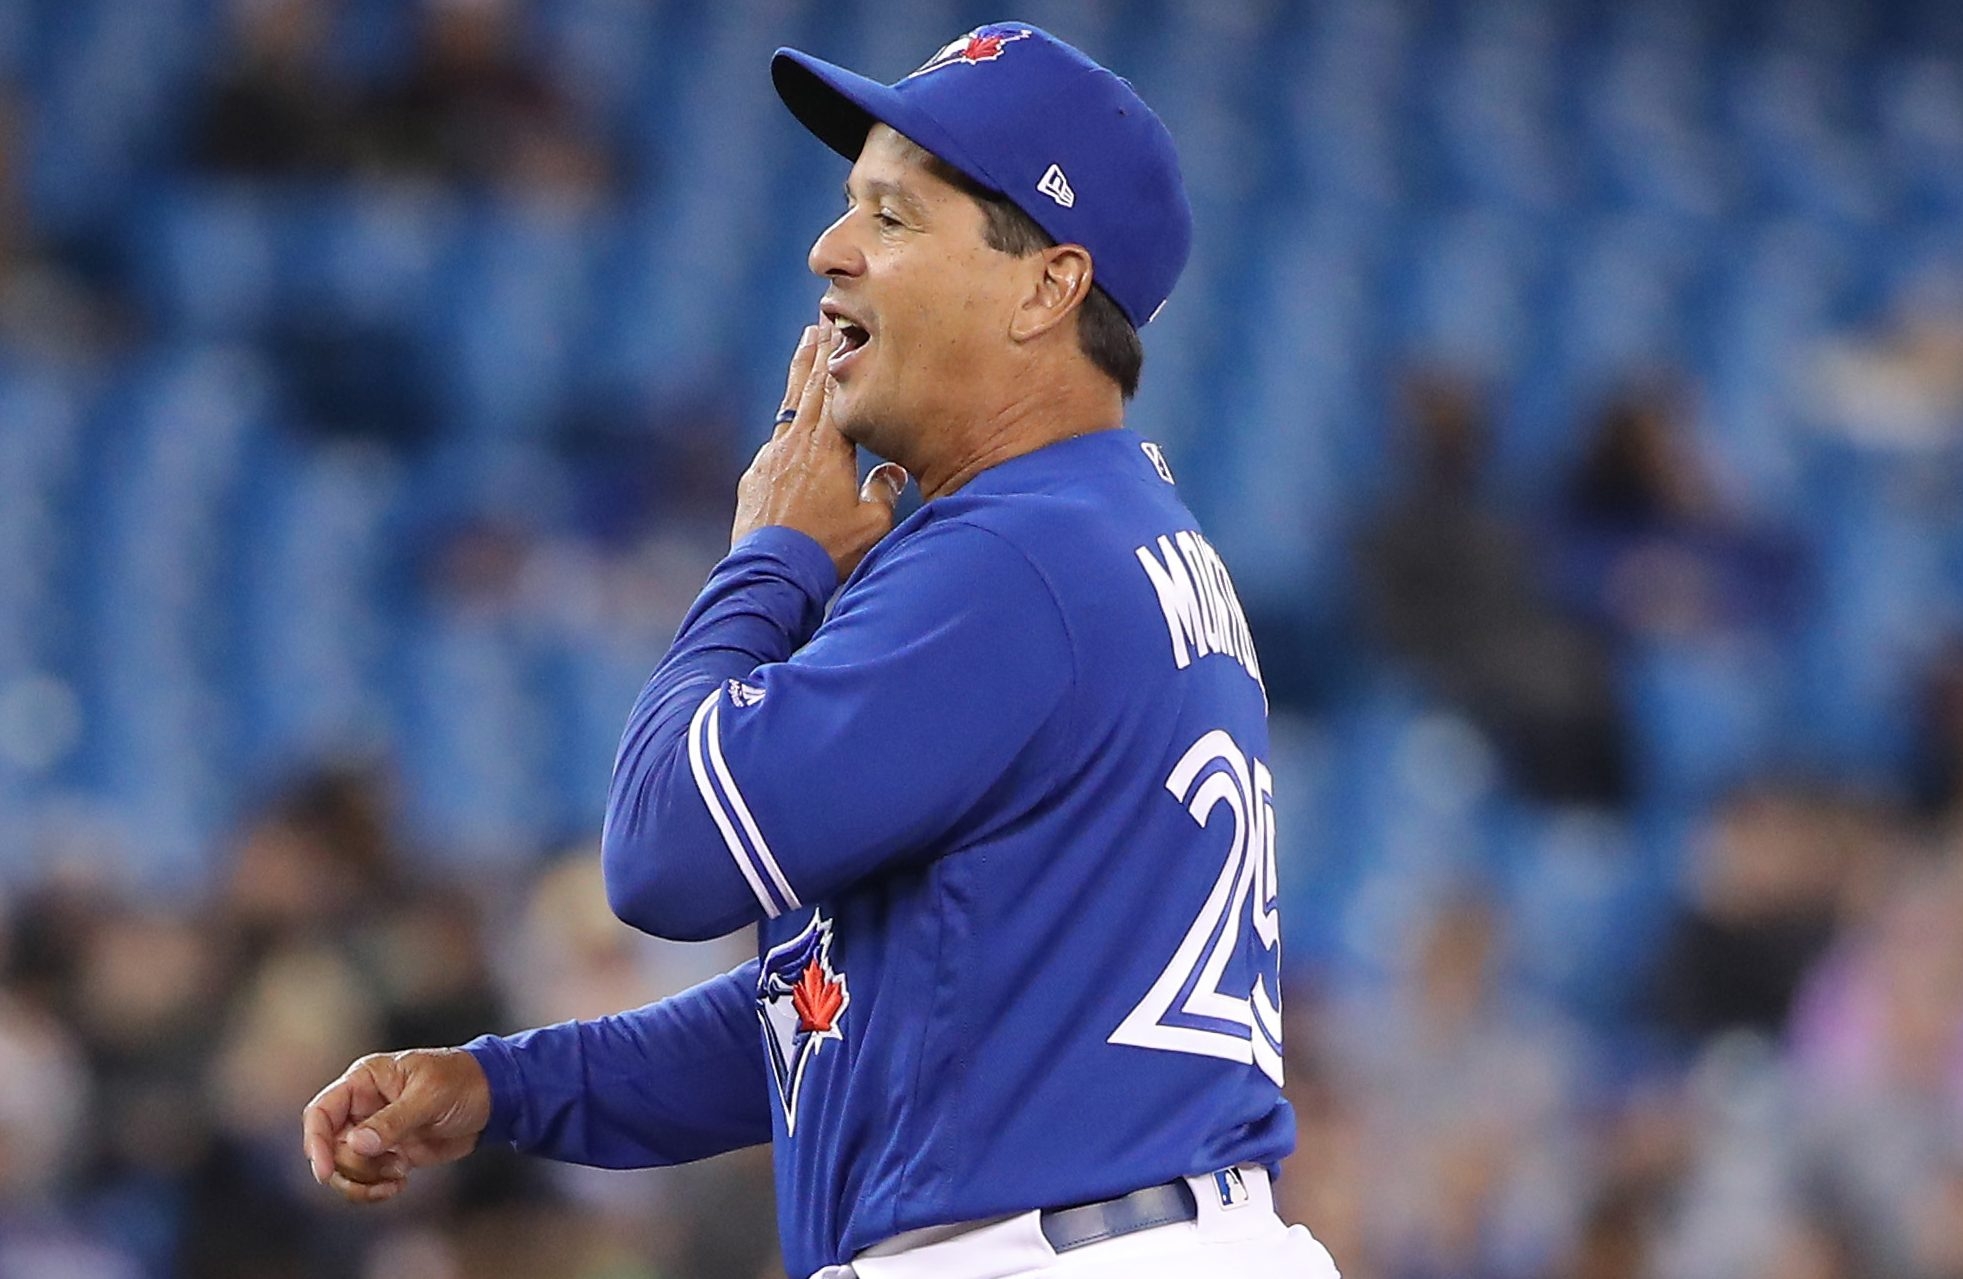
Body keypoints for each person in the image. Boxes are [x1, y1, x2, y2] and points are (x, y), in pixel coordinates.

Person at [302, 23, 1338, 1279]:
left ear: (1045, 287)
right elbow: (855, 1018)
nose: (830, 250)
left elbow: (664, 854)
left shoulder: (1012, 562)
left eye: (893, 218)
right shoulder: (1099, 534)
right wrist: (506, 1086)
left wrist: (768, 562)